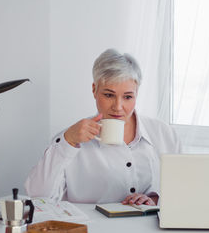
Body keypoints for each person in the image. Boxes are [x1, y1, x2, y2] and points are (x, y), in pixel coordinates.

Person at [25, 49, 181, 205]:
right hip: (93, 229)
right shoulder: (70, 140)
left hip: (150, 229)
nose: (118, 107)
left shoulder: (164, 134)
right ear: (94, 90)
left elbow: (182, 191)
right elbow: (38, 197)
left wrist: (156, 199)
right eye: (109, 95)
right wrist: (67, 142)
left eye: (127, 97)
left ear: (136, 93)